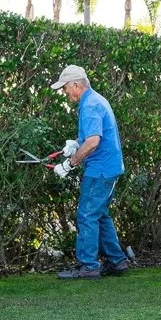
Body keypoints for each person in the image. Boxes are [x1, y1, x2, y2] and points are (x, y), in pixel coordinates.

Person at [49, 65, 129, 280]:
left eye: (65, 87)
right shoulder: (95, 100)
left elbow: (93, 141)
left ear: (76, 84)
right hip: (108, 167)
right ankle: (117, 261)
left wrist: (69, 164)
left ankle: (88, 266)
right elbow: (90, 137)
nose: (64, 92)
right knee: (100, 215)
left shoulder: (90, 105)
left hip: (100, 170)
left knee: (87, 215)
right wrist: (74, 144)